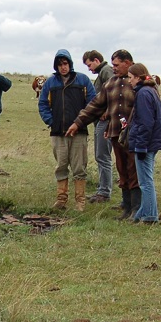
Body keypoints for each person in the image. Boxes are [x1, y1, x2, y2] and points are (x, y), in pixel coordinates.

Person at [66, 49, 139, 218]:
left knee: (134, 170)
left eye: (116, 65)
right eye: (112, 65)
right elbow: (95, 105)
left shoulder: (138, 82)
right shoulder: (111, 83)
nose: (113, 68)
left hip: (134, 136)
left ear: (127, 63)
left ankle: (137, 208)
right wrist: (78, 123)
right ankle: (126, 207)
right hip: (116, 134)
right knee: (122, 170)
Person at [37, 49, 97, 211]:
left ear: (70, 64)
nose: (63, 67)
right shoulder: (50, 83)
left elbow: (92, 104)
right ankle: (61, 199)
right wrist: (52, 122)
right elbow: (42, 104)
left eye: (65, 64)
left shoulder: (83, 80)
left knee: (79, 167)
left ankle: (80, 201)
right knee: (61, 166)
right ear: (56, 66)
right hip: (58, 133)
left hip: (79, 132)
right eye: (59, 64)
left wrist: (81, 122)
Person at [125, 62, 161, 223]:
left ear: (138, 77)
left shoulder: (143, 94)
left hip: (145, 145)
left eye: (130, 78)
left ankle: (150, 217)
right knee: (146, 180)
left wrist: (140, 146)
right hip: (151, 143)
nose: (129, 81)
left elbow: (146, 122)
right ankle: (143, 213)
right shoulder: (151, 91)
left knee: (145, 182)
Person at [80, 50, 114, 202]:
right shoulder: (102, 73)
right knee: (101, 156)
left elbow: (115, 90)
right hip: (101, 120)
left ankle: (104, 192)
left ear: (96, 60)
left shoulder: (106, 71)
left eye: (89, 65)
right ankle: (102, 189)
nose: (89, 69)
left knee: (102, 156)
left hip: (105, 121)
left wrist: (107, 111)